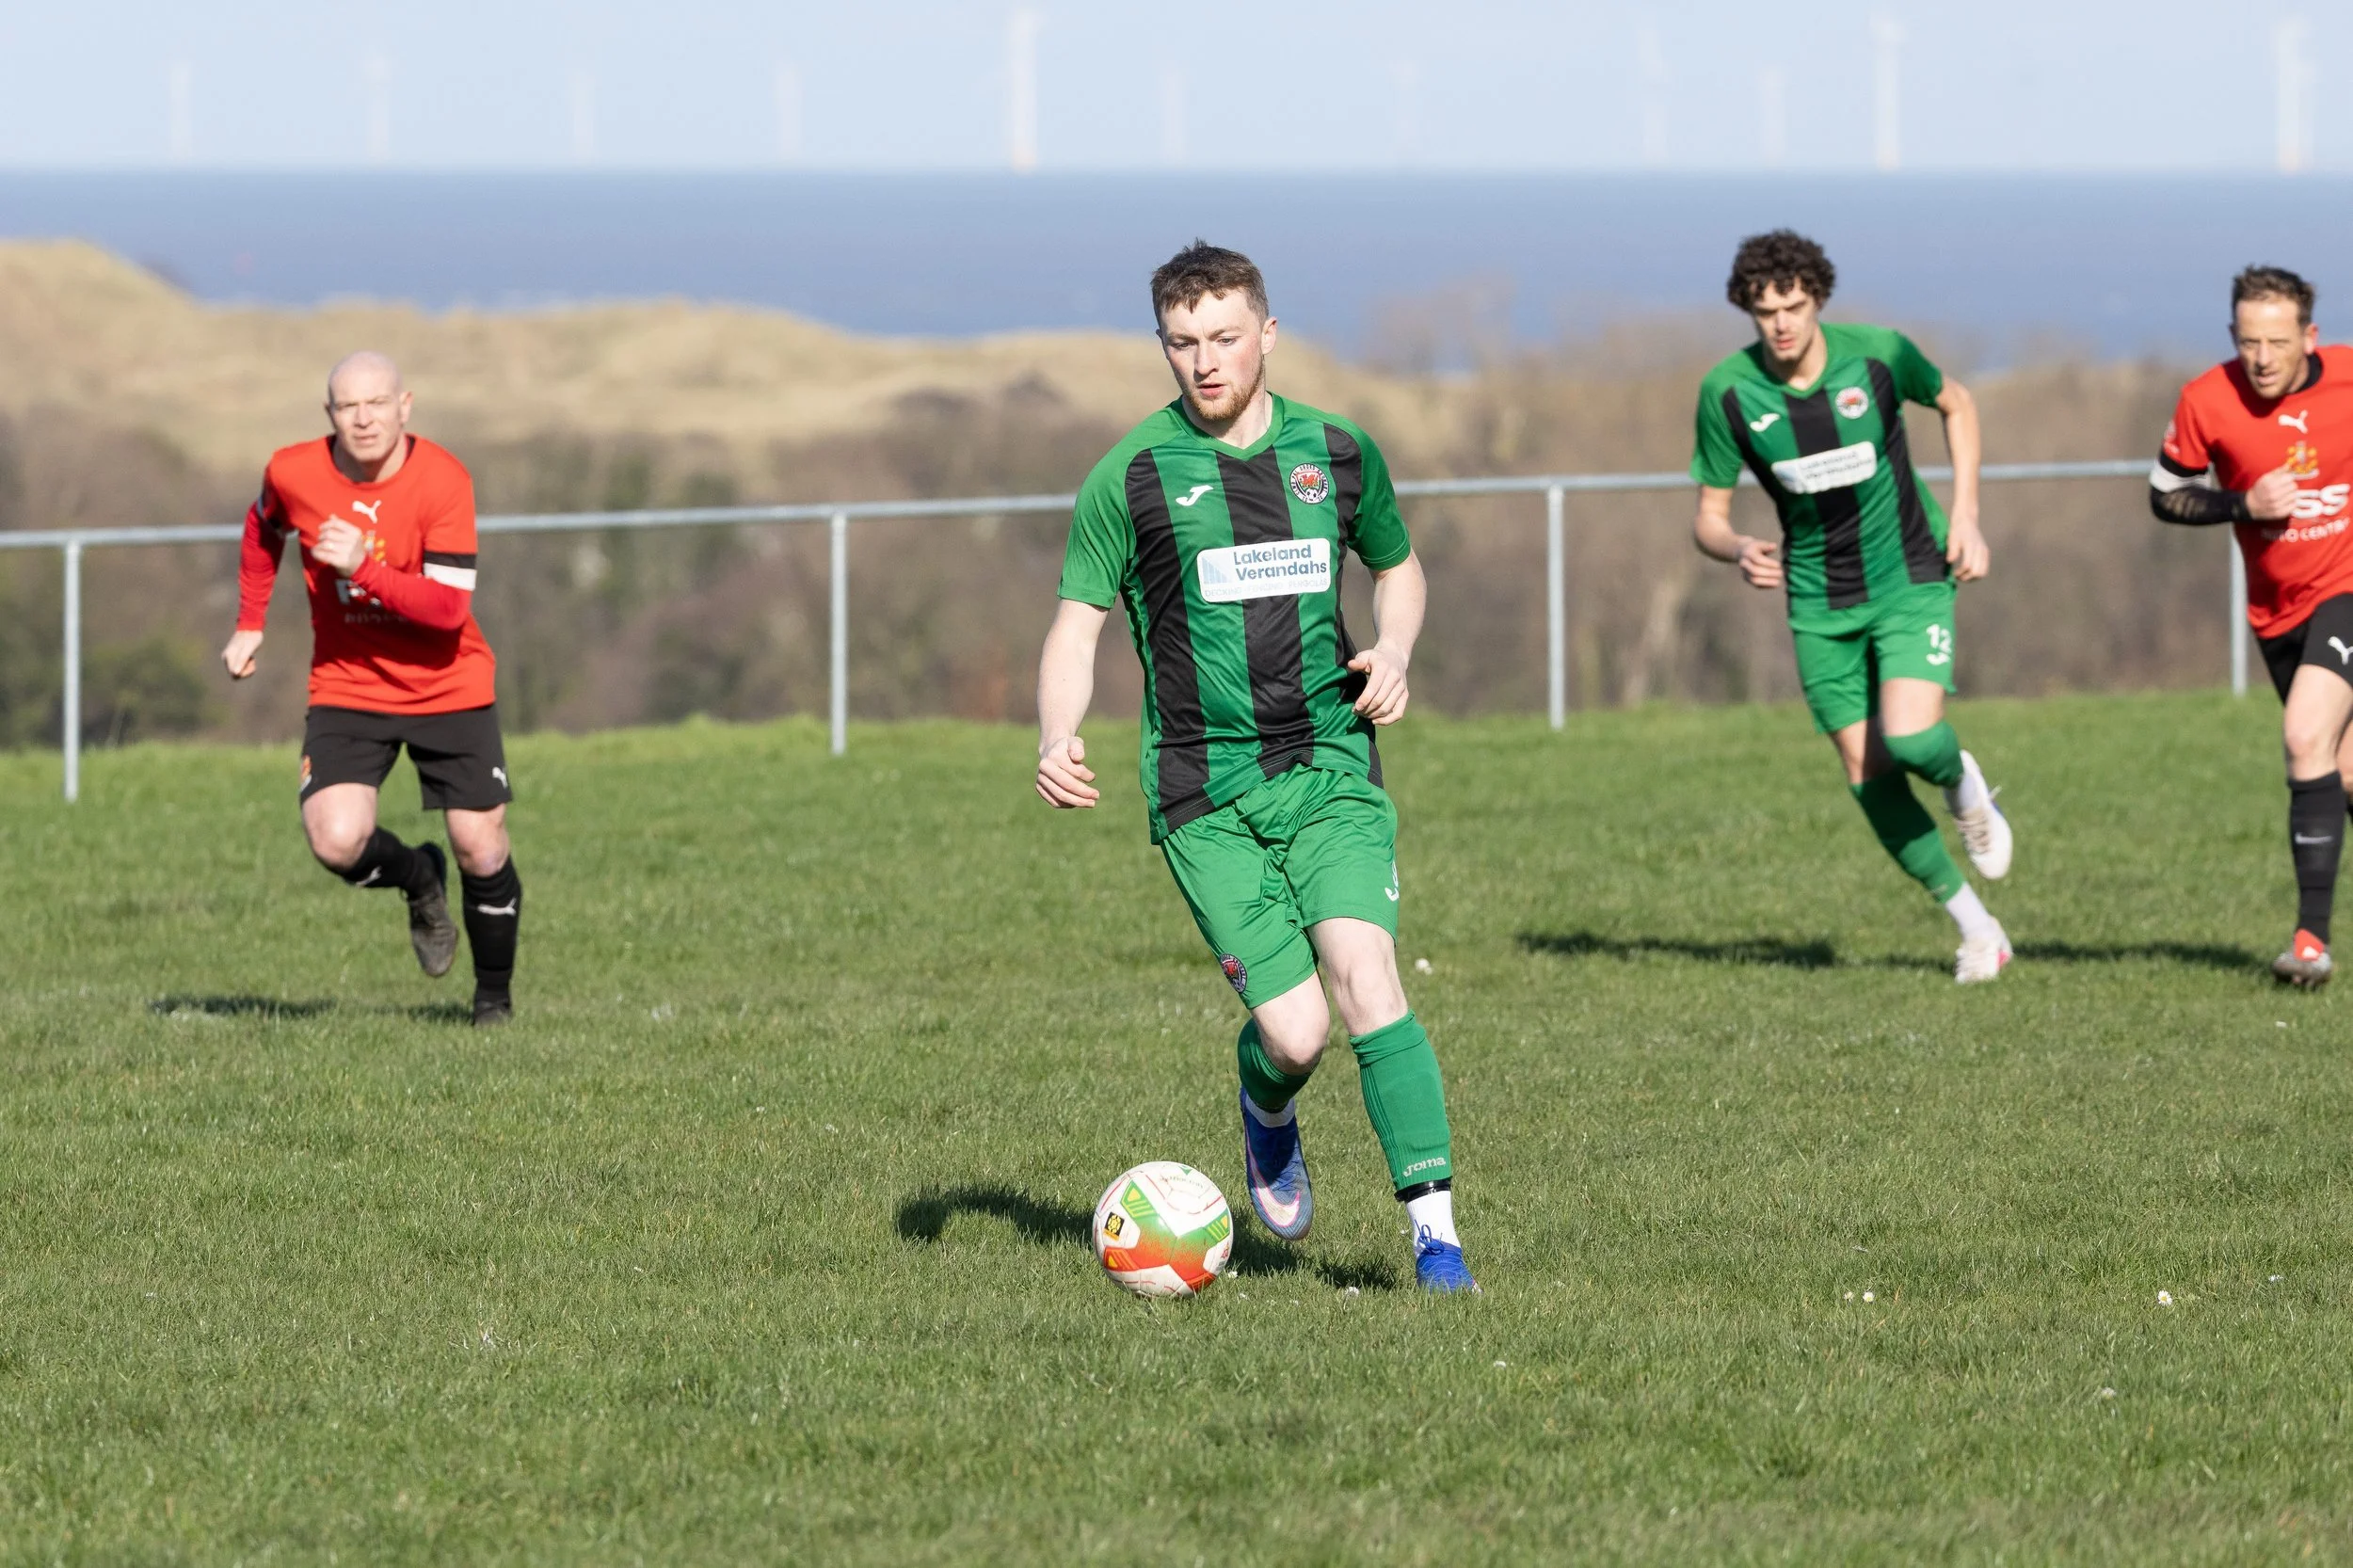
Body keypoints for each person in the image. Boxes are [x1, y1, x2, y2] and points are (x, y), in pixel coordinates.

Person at [1034, 242, 1476, 1292]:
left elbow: (1398, 567)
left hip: (1327, 763)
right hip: (1201, 793)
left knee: (1368, 980)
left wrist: (1397, 649)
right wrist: (1057, 734)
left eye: (1225, 337)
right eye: (1183, 343)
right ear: (1163, 348)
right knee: (1295, 1028)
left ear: (1266, 334)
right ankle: (1266, 1106)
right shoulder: (1131, 476)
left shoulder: (1338, 451)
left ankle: (1437, 1239)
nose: (1206, 361)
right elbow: (1075, 623)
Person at [1689, 230, 2014, 982]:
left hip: (1909, 576)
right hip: (1816, 601)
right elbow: (1706, 515)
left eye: (1794, 305)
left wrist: (1965, 515)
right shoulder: (1728, 394)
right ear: (1747, 309)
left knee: (1910, 737)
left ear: (1818, 299)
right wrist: (1735, 546)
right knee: (1865, 772)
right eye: (1765, 310)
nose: (1782, 324)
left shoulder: (1878, 355)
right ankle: (1978, 931)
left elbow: (1957, 404)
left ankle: (1962, 781)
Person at [220, 352, 522, 1024]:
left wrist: (363, 564)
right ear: (329, 414)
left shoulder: (444, 481)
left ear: (405, 406)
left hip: (448, 683)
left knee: (480, 843)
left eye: (377, 404)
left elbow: (448, 609)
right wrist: (249, 622)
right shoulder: (293, 471)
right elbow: (261, 529)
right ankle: (419, 877)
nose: (364, 419)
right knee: (334, 839)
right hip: (349, 684)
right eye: (348, 407)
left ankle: (493, 1002)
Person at [2150, 265, 2353, 987]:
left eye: (2276, 341)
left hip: (2348, 588)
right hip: (2278, 613)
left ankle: (2309, 943)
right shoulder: (2207, 399)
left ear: (2309, 336)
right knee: (2341, 768)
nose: (2261, 358)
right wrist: (2242, 504)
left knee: (2304, 736)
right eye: (2246, 342)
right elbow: (2166, 496)